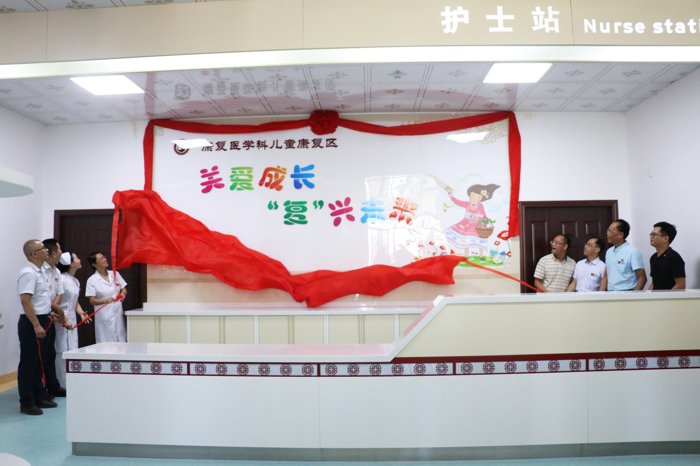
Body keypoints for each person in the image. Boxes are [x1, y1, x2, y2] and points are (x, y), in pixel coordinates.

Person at [17, 240, 59, 415]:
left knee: (39, 362)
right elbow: (25, 301)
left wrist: (48, 313)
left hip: (43, 318)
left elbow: (39, 299)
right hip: (31, 323)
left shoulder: (39, 272)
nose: (47, 250)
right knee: (29, 362)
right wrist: (36, 324)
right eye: (43, 248)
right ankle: (27, 402)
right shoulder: (28, 273)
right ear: (34, 254)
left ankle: (38, 395)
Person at [55, 252, 91, 389]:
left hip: (72, 320)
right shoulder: (61, 279)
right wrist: (64, 319)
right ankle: (62, 384)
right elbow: (56, 303)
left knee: (72, 349)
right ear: (71, 263)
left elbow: (74, 301)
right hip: (61, 320)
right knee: (62, 350)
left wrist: (81, 312)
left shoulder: (75, 281)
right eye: (76, 258)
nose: (80, 259)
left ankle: (72, 382)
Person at [40, 238, 68, 398]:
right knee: (40, 355)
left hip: (50, 315)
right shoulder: (39, 271)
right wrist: (52, 308)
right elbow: (39, 297)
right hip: (40, 316)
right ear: (52, 253)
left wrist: (53, 307)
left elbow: (59, 293)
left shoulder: (56, 271)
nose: (61, 252)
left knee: (50, 352)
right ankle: (39, 389)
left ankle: (53, 386)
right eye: (60, 249)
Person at [444, 183, 500, 258]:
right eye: (472, 195)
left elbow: (484, 216)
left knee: (480, 239)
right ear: (469, 196)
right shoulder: (467, 204)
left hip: (477, 225)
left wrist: (487, 223)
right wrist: (449, 193)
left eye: (478, 197)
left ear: (481, 198)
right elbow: (457, 201)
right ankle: (466, 256)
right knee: (466, 240)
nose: (474, 199)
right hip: (466, 224)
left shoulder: (480, 206)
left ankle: (481, 256)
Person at [86, 251, 127, 343]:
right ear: (94, 264)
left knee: (121, 340)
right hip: (104, 315)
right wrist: (105, 301)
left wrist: (122, 294)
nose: (104, 259)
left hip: (117, 313)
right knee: (106, 343)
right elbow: (92, 300)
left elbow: (124, 289)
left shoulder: (115, 274)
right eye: (101, 259)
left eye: (104, 257)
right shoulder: (92, 280)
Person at [605, 219, 647, 291]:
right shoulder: (609, 252)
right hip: (610, 293)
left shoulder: (632, 252)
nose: (607, 233)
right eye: (607, 231)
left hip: (627, 293)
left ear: (621, 235)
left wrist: (635, 295)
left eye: (610, 231)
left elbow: (642, 278)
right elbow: (605, 275)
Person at [649, 222, 686, 290]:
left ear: (665, 238)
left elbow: (680, 285)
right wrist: (648, 295)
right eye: (651, 234)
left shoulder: (674, 257)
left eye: (654, 234)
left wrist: (667, 296)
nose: (651, 237)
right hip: (656, 296)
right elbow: (654, 282)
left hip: (669, 296)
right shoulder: (653, 257)